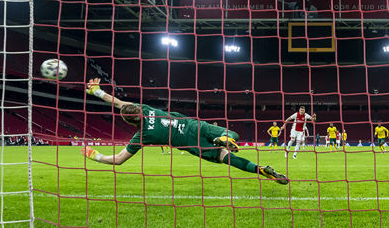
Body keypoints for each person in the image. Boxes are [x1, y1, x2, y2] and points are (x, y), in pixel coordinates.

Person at [81, 78, 288, 185]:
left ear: (128, 121)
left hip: (191, 143)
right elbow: (118, 102)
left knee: (227, 158)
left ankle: (260, 170)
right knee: (232, 134)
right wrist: (97, 91)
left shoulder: (143, 135)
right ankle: (225, 138)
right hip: (194, 125)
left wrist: (94, 155)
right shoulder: (145, 108)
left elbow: (118, 159)